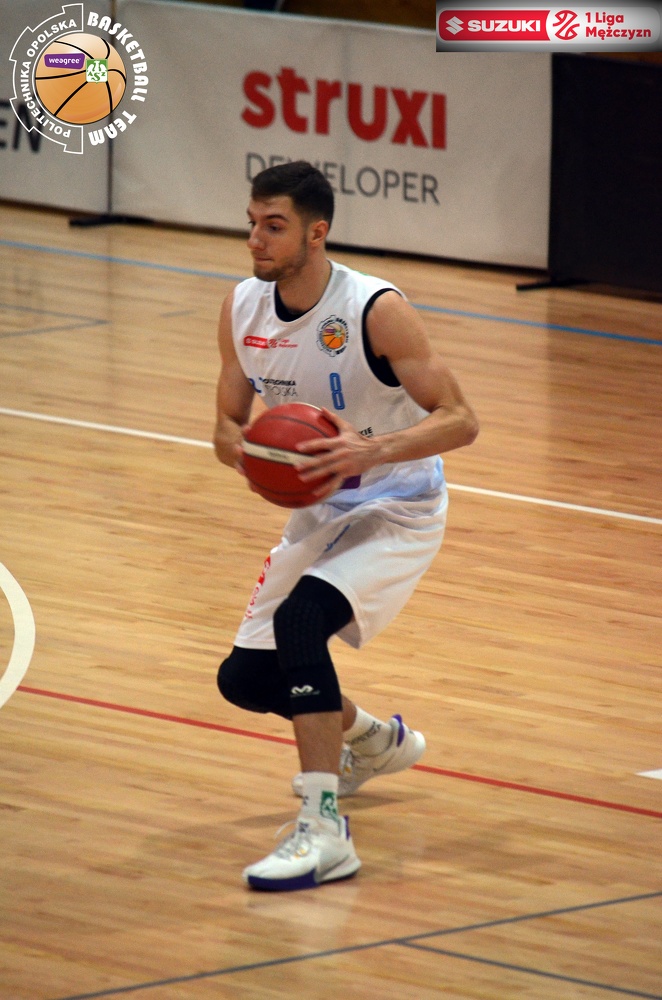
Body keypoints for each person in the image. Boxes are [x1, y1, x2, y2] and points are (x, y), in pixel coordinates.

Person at [213, 160, 478, 891]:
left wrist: (372, 448)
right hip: (320, 510)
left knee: (301, 624)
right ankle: (371, 739)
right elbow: (227, 423)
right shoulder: (242, 308)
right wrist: (249, 452)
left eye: (274, 226)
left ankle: (324, 830)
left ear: (316, 232)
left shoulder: (374, 310)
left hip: (397, 505)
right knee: (246, 678)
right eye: (252, 224)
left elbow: (462, 420)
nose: (256, 240)